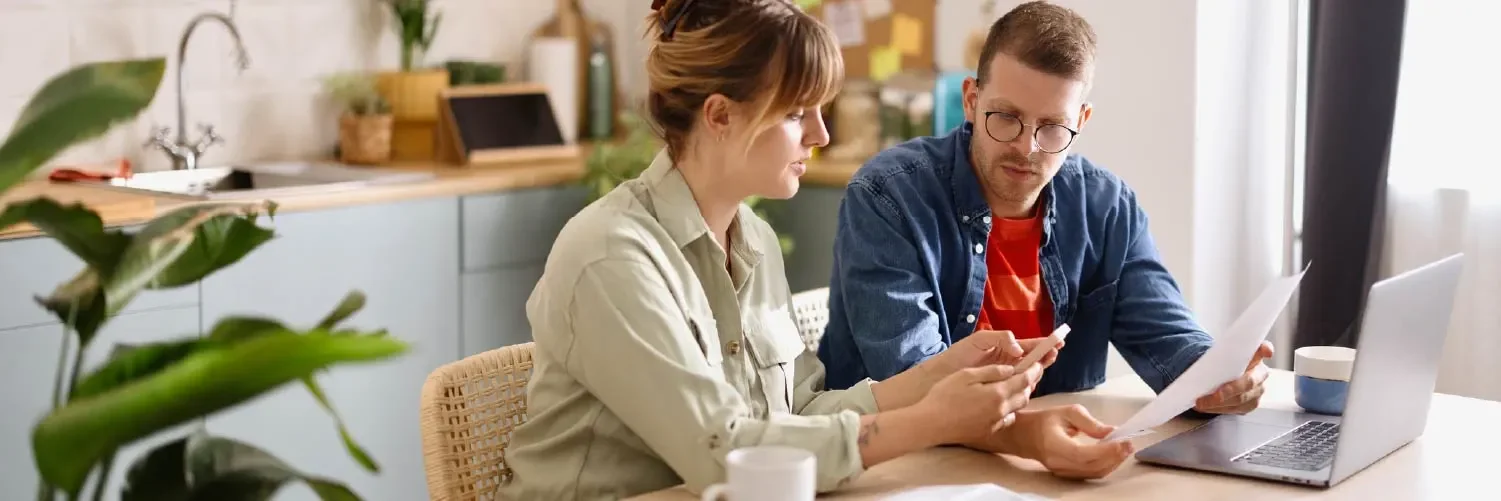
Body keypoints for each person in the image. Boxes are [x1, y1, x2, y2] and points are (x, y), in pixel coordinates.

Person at [498, 1, 1068, 499]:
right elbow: (724, 453)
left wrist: (940, 374)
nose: (820, 136)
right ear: (720, 115)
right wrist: (930, 420)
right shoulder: (611, 256)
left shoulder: (755, 241)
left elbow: (794, 417)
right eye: (798, 113)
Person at [816, 0, 1275, 479]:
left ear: (1082, 121)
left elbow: (1171, 340)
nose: (1026, 146)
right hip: (895, 469)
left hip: (1045, 468)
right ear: (971, 100)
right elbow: (914, 382)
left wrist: (1221, 378)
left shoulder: (1107, 206)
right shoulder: (888, 195)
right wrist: (1029, 437)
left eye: (1052, 127)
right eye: (1006, 118)